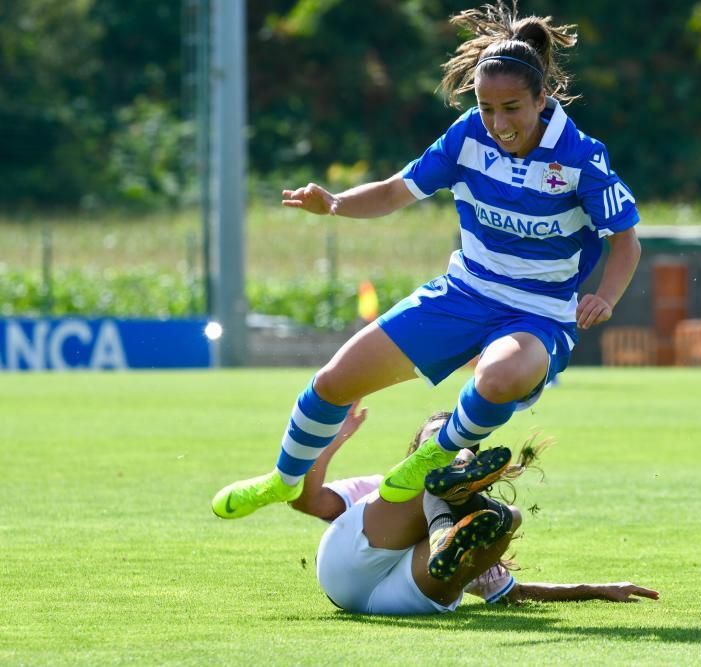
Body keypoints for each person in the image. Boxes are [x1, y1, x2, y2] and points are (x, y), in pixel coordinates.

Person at [212, 1, 641, 519]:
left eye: (511, 108)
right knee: (333, 382)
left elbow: (626, 240)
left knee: (501, 374)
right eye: (486, 107)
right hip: (464, 294)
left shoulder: (579, 157)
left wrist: (605, 296)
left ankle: (433, 455)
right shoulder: (467, 136)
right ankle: (283, 480)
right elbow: (396, 191)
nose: (497, 122)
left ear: (541, 98)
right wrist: (336, 204)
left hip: (540, 313)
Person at [294, 405, 660, 614]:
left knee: (508, 519)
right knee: (433, 484)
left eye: (459, 447)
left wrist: (598, 590)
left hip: (403, 597)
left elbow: (512, 594)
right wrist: (333, 437)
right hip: (345, 570)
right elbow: (307, 501)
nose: (449, 447)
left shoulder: (476, 528)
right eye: (437, 441)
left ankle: (449, 521)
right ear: (413, 451)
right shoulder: (378, 488)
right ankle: (446, 508)